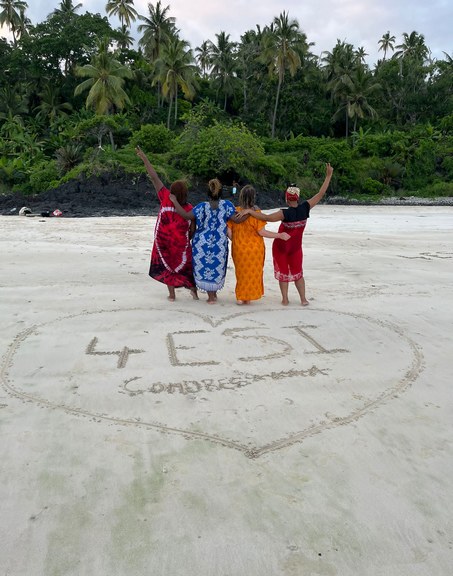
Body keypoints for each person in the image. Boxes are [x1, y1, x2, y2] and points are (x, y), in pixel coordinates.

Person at [241, 163, 333, 306]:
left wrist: (250, 212)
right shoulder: (305, 208)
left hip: (282, 247)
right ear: (297, 197)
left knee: (283, 273)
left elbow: (265, 218)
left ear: (286, 198)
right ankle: (303, 299)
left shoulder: (284, 213)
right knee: (298, 272)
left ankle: (285, 299)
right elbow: (320, 194)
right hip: (296, 247)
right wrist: (328, 176)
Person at [136, 146, 198, 301]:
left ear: (172, 191)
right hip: (181, 243)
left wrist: (145, 159)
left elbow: (154, 177)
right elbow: (193, 228)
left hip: (163, 241)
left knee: (167, 266)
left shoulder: (165, 197)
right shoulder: (189, 208)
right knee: (187, 267)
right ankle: (193, 292)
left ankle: (172, 295)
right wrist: (188, 238)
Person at [170, 178, 240, 304]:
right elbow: (238, 220)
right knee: (216, 267)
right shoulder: (226, 206)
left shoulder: (201, 207)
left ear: (208, 193)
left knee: (204, 267)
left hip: (201, 244)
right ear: (220, 193)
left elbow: (186, 216)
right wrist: (251, 211)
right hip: (219, 243)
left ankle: (211, 296)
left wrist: (175, 202)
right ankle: (213, 295)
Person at [227, 185, 290, 305]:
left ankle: (241, 296)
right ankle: (248, 297)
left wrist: (235, 240)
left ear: (241, 196)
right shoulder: (256, 213)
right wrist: (279, 235)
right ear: (253, 198)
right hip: (255, 248)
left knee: (241, 273)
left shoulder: (235, 211)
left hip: (239, 248)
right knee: (252, 273)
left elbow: (228, 230)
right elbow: (262, 232)